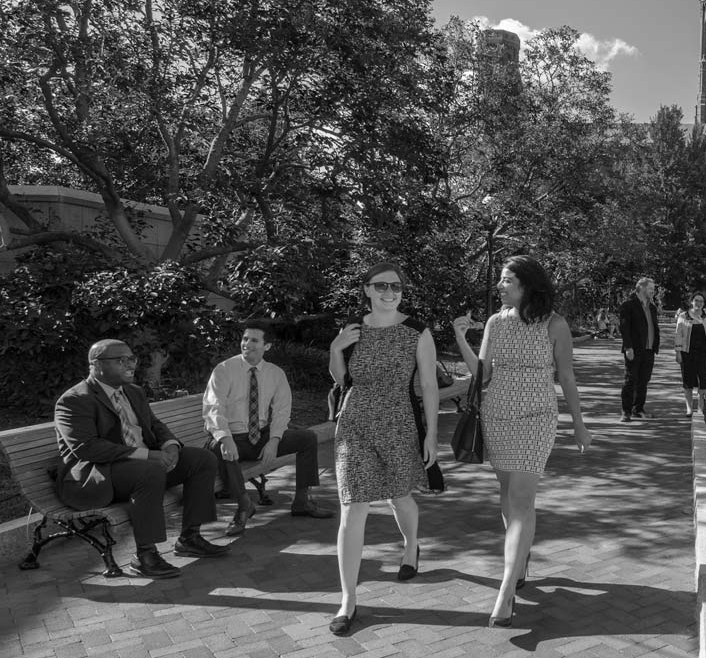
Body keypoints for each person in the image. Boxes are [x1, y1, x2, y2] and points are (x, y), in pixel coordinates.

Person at [451, 255, 591, 628]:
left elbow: (566, 377)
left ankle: (507, 588)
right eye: (500, 279)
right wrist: (460, 338)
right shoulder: (496, 323)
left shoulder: (555, 324)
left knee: (522, 499)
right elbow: (482, 376)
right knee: (508, 492)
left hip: (537, 419)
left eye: (507, 280)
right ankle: (520, 557)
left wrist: (579, 424)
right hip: (497, 417)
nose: (500, 285)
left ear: (528, 284)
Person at [326, 262, 439, 636]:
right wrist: (335, 348)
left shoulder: (417, 332)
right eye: (381, 286)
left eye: (396, 287)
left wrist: (431, 434)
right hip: (354, 423)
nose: (389, 293)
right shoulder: (353, 328)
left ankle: (410, 547)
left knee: (399, 497)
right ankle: (348, 600)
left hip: (398, 424)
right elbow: (343, 379)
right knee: (352, 506)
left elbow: (429, 385)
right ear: (367, 289)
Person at [54, 339, 229, 580]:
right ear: (96, 365)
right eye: (121, 360)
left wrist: (171, 447)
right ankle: (145, 556)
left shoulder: (133, 392)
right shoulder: (75, 400)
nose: (130, 365)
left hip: (141, 468)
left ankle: (190, 538)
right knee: (149, 471)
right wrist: (148, 455)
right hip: (100, 474)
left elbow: (155, 425)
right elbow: (86, 448)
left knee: (202, 459)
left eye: (131, 359)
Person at [202, 321, 334, 538]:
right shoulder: (224, 370)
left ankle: (302, 501)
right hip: (232, 438)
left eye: (254, 340)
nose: (247, 344)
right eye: (245, 339)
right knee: (220, 448)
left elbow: (282, 410)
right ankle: (244, 507)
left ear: (267, 346)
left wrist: (274, 440)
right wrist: (225, 438)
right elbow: (213, 408)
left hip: (261, 437)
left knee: (308, 438)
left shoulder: (275, 374)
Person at [674, 292, 706, 417]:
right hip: (687, 353)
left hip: (702, 353)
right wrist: (678, 352)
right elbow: (678, 335)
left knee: (702, 380)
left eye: (701, 301)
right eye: (696, 301)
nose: (698, 303)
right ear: (691, 302)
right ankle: (689, 408)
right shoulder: (683, 316)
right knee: (688, 380)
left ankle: (700, 407)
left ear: (704, 304)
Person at [618, 276, 660, 422]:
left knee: (644, 381)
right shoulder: (628, 305)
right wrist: (628, 347)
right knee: (630, 380)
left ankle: (638, 409)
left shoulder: (652, 307)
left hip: (649, 350)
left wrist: (655, 346)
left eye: (653, 289)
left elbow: (653, 327)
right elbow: (624, 327)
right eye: (651, 288)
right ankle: (626, 411)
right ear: (641, 288)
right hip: (634, 349)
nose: (653, 291)